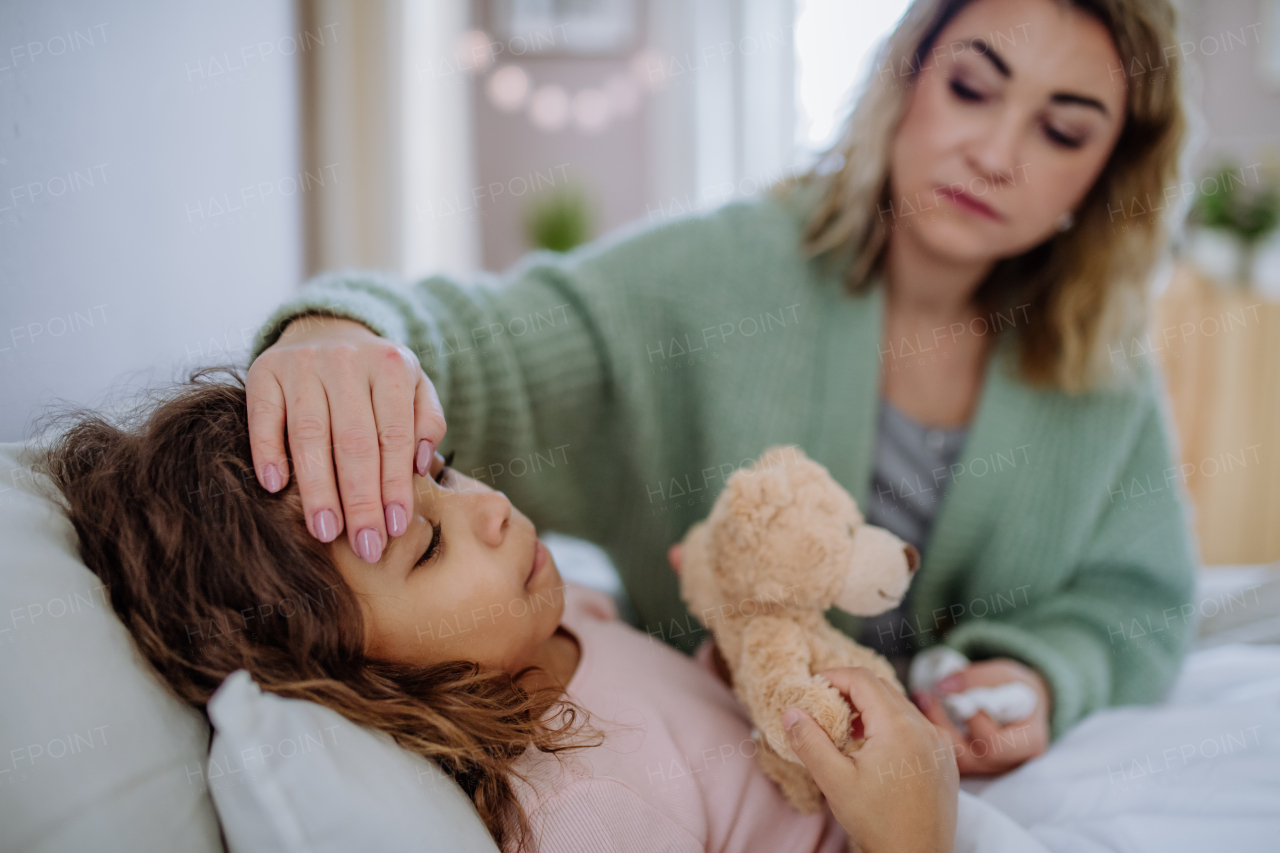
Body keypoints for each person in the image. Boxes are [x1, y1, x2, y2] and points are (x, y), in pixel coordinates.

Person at [244, 0, 1198, 774]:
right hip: (729, 769)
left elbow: (1134, 597)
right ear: (906, 80)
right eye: (971, 87)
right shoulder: (725, 272)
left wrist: (1038, 675)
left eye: (1063, 130)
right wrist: (340, 331)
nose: (996, 153)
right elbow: (484, 339)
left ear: (1104, 175)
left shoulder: (1100, 367)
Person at [42, 370, 958, 853]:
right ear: (355, 679)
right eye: (430, 546)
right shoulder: (587, 814)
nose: (485, 505)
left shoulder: (556, 630)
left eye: (438, 474)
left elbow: (691, 747)